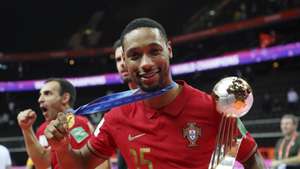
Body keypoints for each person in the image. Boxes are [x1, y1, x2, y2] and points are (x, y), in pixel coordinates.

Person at [44, 18, 265, 169]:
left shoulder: (211, 108)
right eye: (134, 55)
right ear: (126, 62)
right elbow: (81, 164)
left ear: (169, 49)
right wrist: (62, 146)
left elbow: (251, 156)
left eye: (154, 51)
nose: (146, 63)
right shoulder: (116, 117)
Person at [17, 78, 94, 169]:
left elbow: (93, 161)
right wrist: (26, 129)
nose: (40, 99)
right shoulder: (42, 129)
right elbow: (42, 164)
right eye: (40, 95)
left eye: (47, 93)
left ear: (65, 98)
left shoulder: (77, 124)